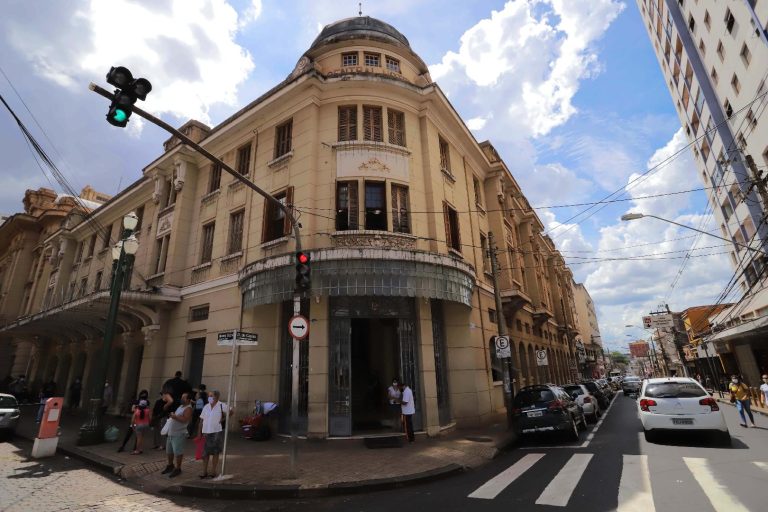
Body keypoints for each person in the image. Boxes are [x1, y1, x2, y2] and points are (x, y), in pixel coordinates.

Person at [197, 390, 232, 479]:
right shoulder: (206, 406)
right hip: (205, 432)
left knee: (215, 452)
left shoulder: (221, 405)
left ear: (217, 397)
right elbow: (201, 420)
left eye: (211, 396)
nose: (209, 397)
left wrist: (223, 419)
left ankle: (213, 471)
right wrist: (199, 433)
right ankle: (204, 472)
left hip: (216, 432)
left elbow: (231, 411)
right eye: (209, 396)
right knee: (205, 453)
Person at [161, 392, 193, 478]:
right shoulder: (181, 406)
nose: (181, 399)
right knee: (169, 451)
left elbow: (185, 420)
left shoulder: (188, 408)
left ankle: (178, 468)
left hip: (179, 433)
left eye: (184, 398)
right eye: (182, 397)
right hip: (172, 432)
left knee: (178, 452)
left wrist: (175, 417)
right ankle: (170, 465)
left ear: (188, 400)